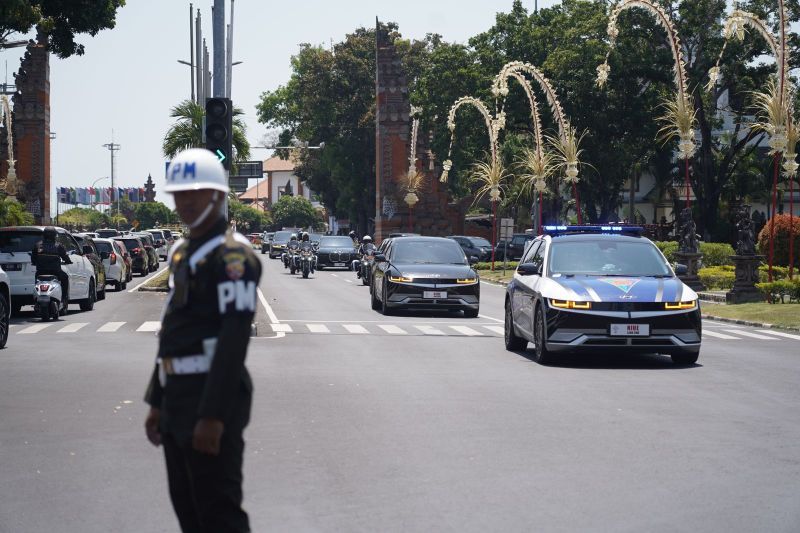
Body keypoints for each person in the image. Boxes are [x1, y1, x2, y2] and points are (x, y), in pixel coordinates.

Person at [144, 148, 261, 533]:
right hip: (178, 393)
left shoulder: (234, 258)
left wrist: (212, 416)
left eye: (196, 192)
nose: (186, 202)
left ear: (218, 195)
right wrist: (157, 400)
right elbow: (171, 330)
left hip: (213, 396)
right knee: (189, 515)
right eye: (179, 193)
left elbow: (233, 340)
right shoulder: (182, 255)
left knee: (219, 515)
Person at [31, 226, 71, 311]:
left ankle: (35, 301)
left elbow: (33, 259)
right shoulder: (58, 246)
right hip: (56, 272)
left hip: (40, 272)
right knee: (65, 278)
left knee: (36, 282)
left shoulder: (37, 245)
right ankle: (63, 298)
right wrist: (68, 261)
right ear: (54, 235)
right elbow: (65, 257)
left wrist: (36, 262)